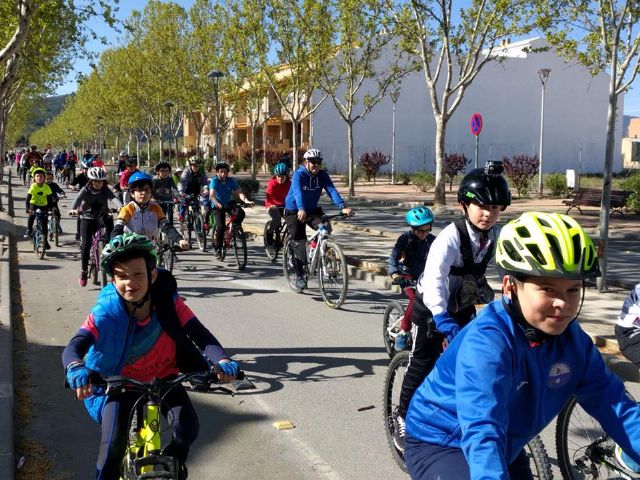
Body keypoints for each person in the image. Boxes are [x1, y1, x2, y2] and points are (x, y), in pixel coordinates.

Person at [404, 211, 640, 479]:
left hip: (507, 441)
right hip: (443, 442)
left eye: (573, 290)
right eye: (548, 289)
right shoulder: (488, 343)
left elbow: (617, 408)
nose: (563, 303)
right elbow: (482, 431)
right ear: (510, 287)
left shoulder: (574, 343)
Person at [61, 233, 239, 480]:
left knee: (186, 428)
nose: (130, 283)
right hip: (120, 383)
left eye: (138, 274)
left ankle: (173, 463)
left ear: (153, 275)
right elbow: (76, 344)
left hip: (163, 379)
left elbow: (199, 333)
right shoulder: (106, 310)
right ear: (112, 280)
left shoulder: (168, 302)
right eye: (121, 276)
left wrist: (222, 360)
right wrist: (75, 366)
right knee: (111, 450)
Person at [394, 162, 511, 450]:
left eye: (496, 208)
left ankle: (456, 414)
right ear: (464, 205)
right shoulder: (449, 237)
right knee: (422, 362)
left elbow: (505, 271)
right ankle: (402, 416)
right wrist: (440, 317)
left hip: (462, 304)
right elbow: (434, 280)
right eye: (482, 206)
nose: (489, 214)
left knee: (469, 363)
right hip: (432, 306)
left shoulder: (495, 236)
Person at [284, 148, 353, 290]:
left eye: (318, 162)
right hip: (294, 209)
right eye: (313, 162)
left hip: (311, 209)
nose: (316, 165)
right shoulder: (299, 174)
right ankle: (299, 275)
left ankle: (316, 249)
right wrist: (301, 208)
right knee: (299, 241)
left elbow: (331, 190)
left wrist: (342, 207)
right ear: (306, 162)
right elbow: (297, 192)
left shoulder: (322, 175)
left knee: (325, 228)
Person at [388, 207, 436, 351]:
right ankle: (403, 331)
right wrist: (395, 274)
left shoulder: (432, 241)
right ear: (413, 228)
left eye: (427, 230)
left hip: (424, 276)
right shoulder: (405, 239)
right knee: (415, 299)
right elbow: (393, 257)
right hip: (406, 275)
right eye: (421, 231)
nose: (424, 234)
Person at [69, 167, 123, 287]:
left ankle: (111, 267)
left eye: (100, 181)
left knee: (111, 241)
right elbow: (78, 199)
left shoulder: (105, 190)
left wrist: (121, 206)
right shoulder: (85, 189)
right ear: (90, 180)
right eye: (95, 181)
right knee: (86, 245)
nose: (98, 184)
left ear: (104, 181)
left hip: (101, 217)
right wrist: (73, 209)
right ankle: (83, 271)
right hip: (87, 218)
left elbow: (114, 198)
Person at [113, 171, 188, 250]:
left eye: (147, 190)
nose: (144, 193)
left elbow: (166, 226)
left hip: (150, 250)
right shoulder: (127, 209)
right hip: (130, 249)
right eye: (140, 190)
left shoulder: (155, 208)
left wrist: (180, 239)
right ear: (132, 193)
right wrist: (115, 242)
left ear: (151, 193)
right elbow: (118, 228)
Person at [209, 162, 254, 258]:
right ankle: (218, 248)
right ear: (217, 172)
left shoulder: (231, 181)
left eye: (225, 172)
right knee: (220, 227)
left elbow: (239, 193)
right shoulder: (214, 181)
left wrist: (246, 200)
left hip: (229, 203)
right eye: (221, 172)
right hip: (218, 205)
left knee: (241, 213)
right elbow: (212, 195)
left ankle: (234, 229)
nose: (223, 174)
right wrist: (216, 203)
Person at [264, 162, 291, 247]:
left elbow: (294, 195)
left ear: (286, 176)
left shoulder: (289, 184)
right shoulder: (272, 182)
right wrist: (271, 204)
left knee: (291, 219)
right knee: (277, 219)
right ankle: (269, 232)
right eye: (278, 176)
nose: (280, 178)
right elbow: (268, 194)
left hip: (284, 205)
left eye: (282, 176)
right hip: (272, 205)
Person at [24, 167, 53, 247]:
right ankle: (29, 230)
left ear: (44, 178)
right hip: (34, 204)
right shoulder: (33, 186)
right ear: (35, 178)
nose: (39, 178)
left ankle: (45, 241)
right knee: (32, 215)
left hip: (44, 205)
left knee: (44, 225)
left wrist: (51, 209)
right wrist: (27, 208)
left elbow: (50, 200)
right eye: (37, 176)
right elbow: (28, 199)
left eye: (41, 176)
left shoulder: (46, 187)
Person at [177, 156, 209, 223]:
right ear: (191, 165)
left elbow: (205, 182)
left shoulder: (202, 172)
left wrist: (206, 189)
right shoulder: (186, 171)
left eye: (197, 166)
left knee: (196, 207)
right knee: (183, 203)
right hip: (186, 190)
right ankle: (181, 216)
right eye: (194, 166)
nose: (196, 167)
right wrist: (181, 191)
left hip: (196, 190)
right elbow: (182, 182)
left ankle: (198, 223)